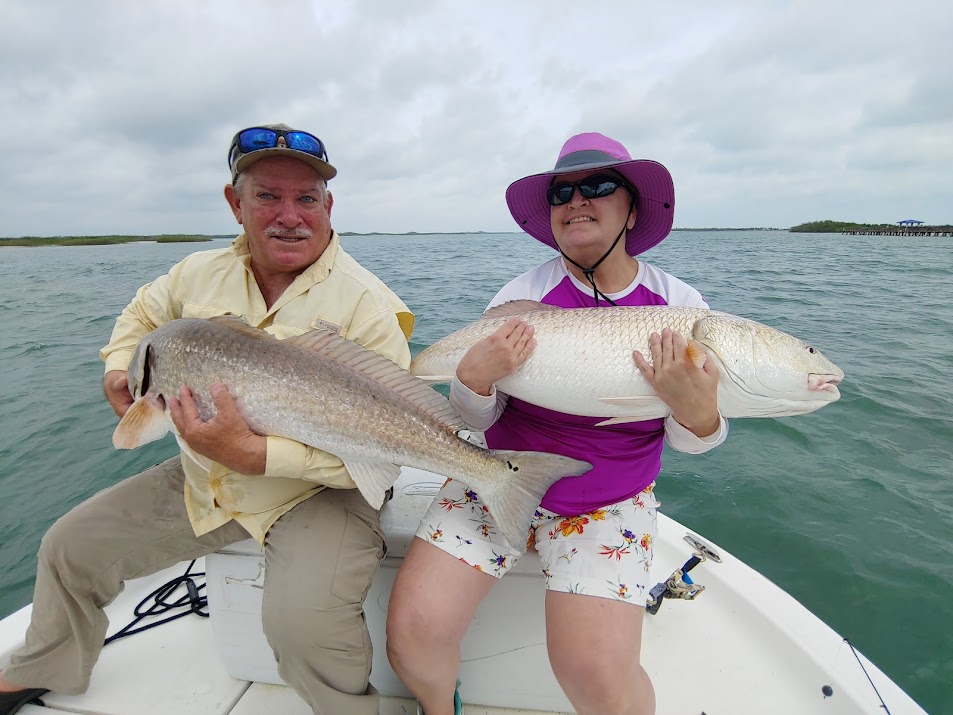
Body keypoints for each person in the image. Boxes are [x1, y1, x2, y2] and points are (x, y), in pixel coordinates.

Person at [0, 124, 414, 715]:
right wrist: (121, 368)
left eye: (306, 199)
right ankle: (41, 667)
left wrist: (256, 455)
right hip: (206, 477)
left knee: (302, 624)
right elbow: (142, 315)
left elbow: (383, 450)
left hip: (322, 489)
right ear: (235, 203)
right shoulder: (195, 273)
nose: (288, 216)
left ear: (328, 206)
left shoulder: (370, 308)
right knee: (69, 547)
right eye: (267, 196)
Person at [386, 132, 727, 715]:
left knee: (597, 675)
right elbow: (477, 419)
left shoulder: (679, 306)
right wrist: (474, 382)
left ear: (632, 208)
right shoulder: (521, 297)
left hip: (608, 499)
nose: (576, 200)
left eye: (597, 186)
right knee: (412, 632)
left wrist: (699, 414)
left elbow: (690, 442)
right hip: (495, 473)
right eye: (562, 192)